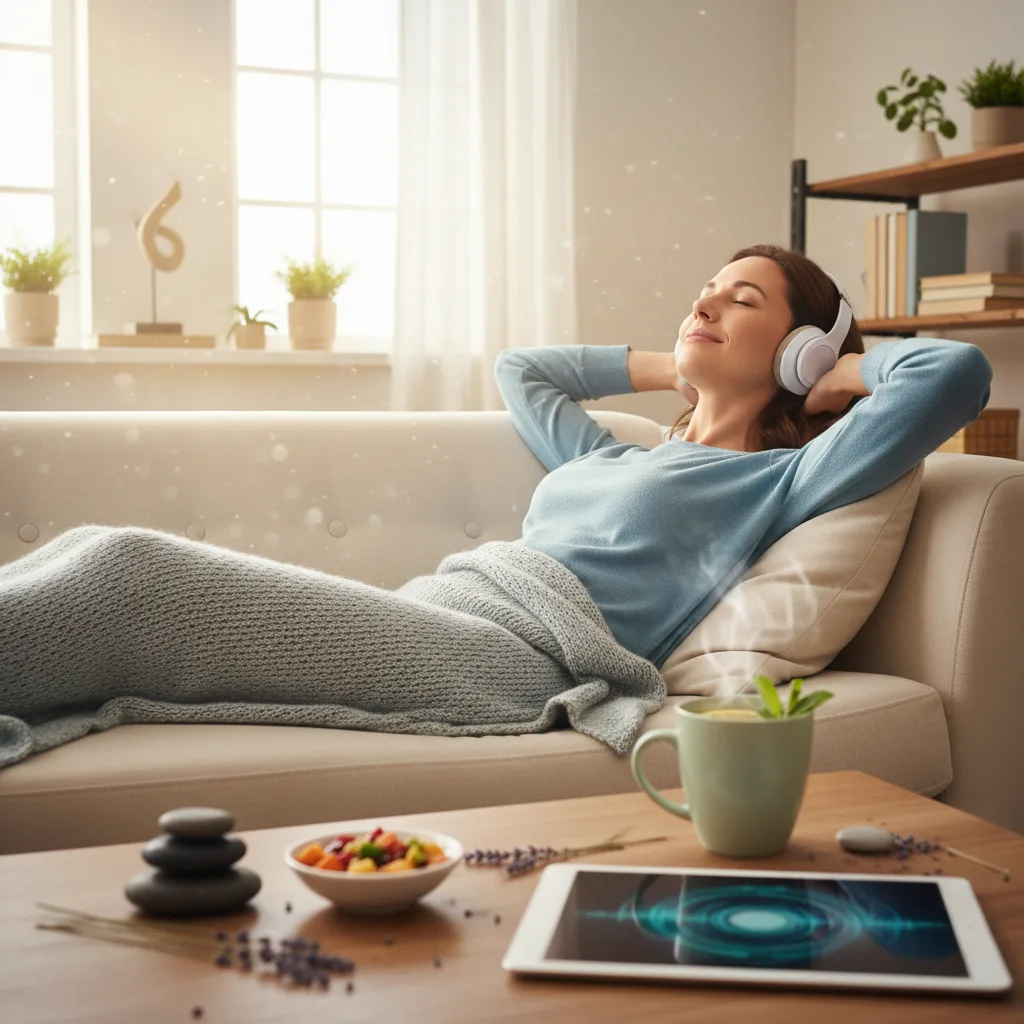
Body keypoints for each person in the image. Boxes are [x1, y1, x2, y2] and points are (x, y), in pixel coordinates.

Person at [493, 242, 993, 670]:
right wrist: (672, 366)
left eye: (742, 302)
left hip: (531, 647)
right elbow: (520, 370)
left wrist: (844, 371)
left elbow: (954, 374)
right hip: (474, 596)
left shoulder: (779, 480)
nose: (702, 308)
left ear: (801, 351)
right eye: (705, 297)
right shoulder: (610, 458)